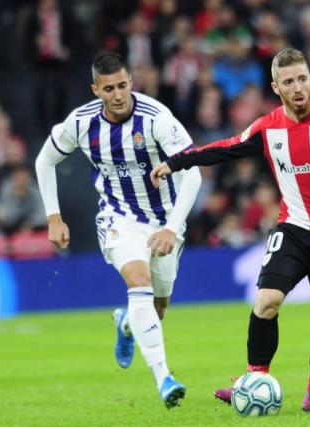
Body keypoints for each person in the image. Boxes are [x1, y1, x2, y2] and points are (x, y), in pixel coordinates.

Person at [151, 48, 310, 412]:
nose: (297, 87)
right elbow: (225, 147)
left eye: (302, 79)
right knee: (267, 301)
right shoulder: (268, 126)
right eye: (288, 81)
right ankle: (252, 380)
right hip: (293, 229)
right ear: (276, 87)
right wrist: (176, 162)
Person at [34, 52, 202, 408]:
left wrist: (172, 229)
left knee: (156, 307)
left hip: (166, 221)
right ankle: (164, 379)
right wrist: (53, 216)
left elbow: (194, 173)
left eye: (123, 85)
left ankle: (126, 323)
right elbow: (44, 160)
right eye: (108, 88)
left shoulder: (157, 118)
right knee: (138, 283)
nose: (118, 94)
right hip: (119, 218)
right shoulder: (81, 123)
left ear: (131, 83)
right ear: (96, 89)